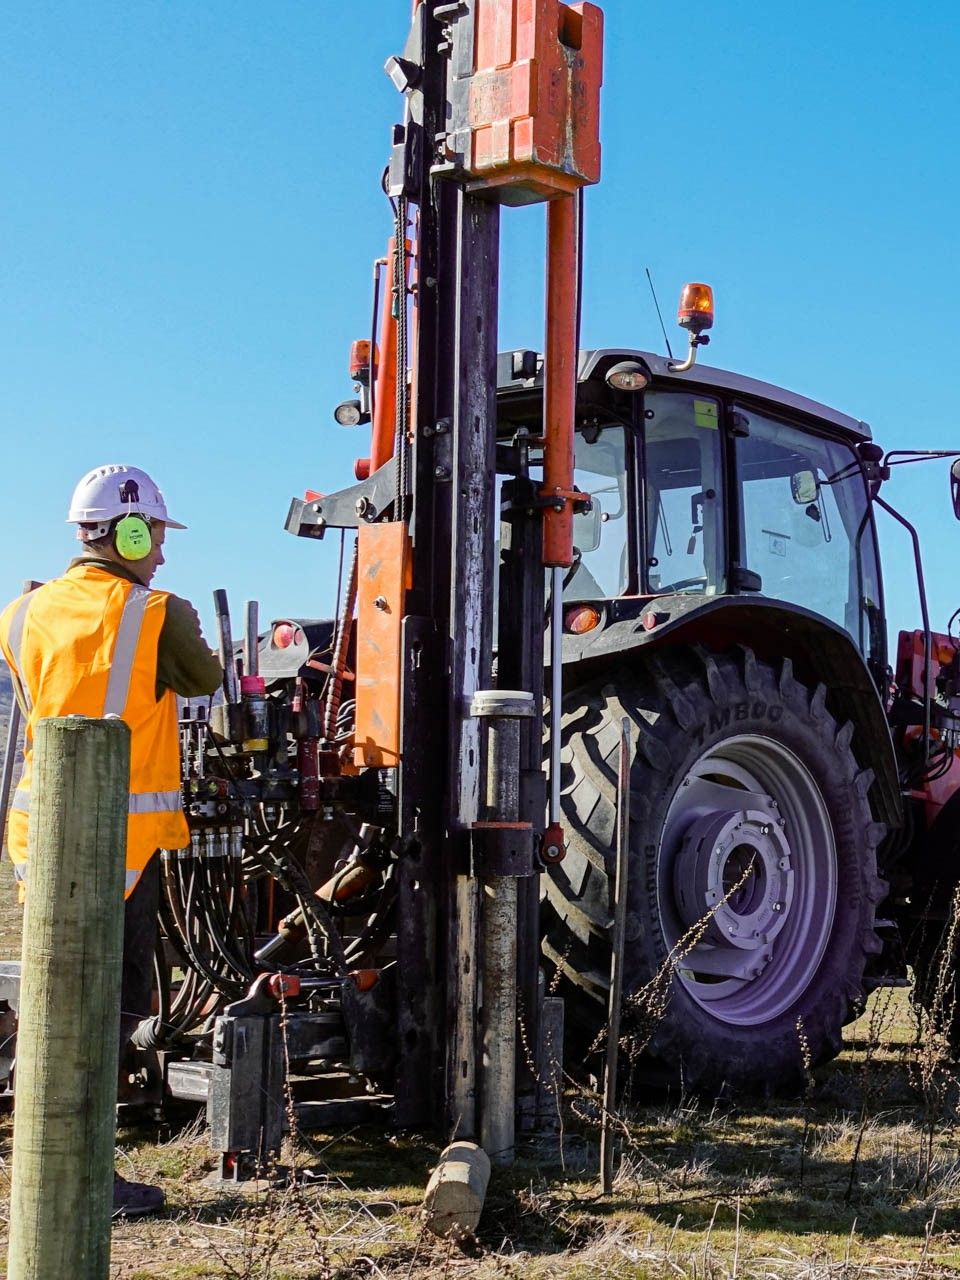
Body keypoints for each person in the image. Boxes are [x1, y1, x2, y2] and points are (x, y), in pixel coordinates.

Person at [0, 463, 223, 1217]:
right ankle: (88, 1177)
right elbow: (204, 680)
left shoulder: (18, 614)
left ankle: (46, 1158)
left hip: (38, 837)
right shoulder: (157, 612)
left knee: (53, 994)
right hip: (119, 845)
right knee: (107, 1006)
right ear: (129, 531)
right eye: (155, 535)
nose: (160, 552)